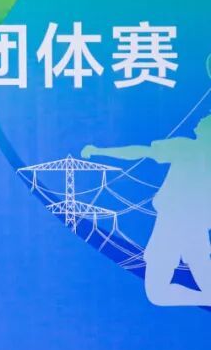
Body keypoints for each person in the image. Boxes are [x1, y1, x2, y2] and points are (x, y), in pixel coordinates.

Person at [83, 113, 211, 306]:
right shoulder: (187, 149)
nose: (198, 123)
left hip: (176, 224)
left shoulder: (185, 148)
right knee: (160, 293)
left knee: (158, 293)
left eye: (203, 122)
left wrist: (98, 150)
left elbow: (140, 151)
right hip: (184, 225)